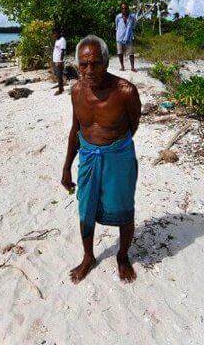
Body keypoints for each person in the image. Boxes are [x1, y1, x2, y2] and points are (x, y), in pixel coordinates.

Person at [60, 35, 141, 284]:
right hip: (88, 156)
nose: (89, 70)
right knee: (85, 208)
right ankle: (88, 257)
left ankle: (123, 256)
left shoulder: (125, 91)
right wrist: (66, 168)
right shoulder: (75, 91)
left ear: (106, 62)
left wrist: (111, 147)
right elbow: (76, 129)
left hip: (118, 157)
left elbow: (132, 125)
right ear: (77, 65)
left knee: (124, 208)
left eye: (95, 63)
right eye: (83, 65)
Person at [115, 2, 137, 72]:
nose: (124, 9)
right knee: (120, 53)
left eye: (125, 8)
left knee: (131, 53)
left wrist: (129, 32)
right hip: (119, 37)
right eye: (122, 8)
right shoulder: (118, 17)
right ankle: (122, 66)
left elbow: (133, 26)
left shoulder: (132, 18)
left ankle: (132, 67)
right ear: (121, 9)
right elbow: (117, 26)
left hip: (129, 37)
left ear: (128, 9)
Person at [52, 29, 67, 96]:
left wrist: (61, 60)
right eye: (54, 34)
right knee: (57, 75)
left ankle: (60, 90)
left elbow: (63, 50)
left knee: (59, 75)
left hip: (59, 61)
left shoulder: (62, 40)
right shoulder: (57, 40)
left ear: (59, 33)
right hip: (55, 60)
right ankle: (60, 87)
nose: (54, 35)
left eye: (55, 33)